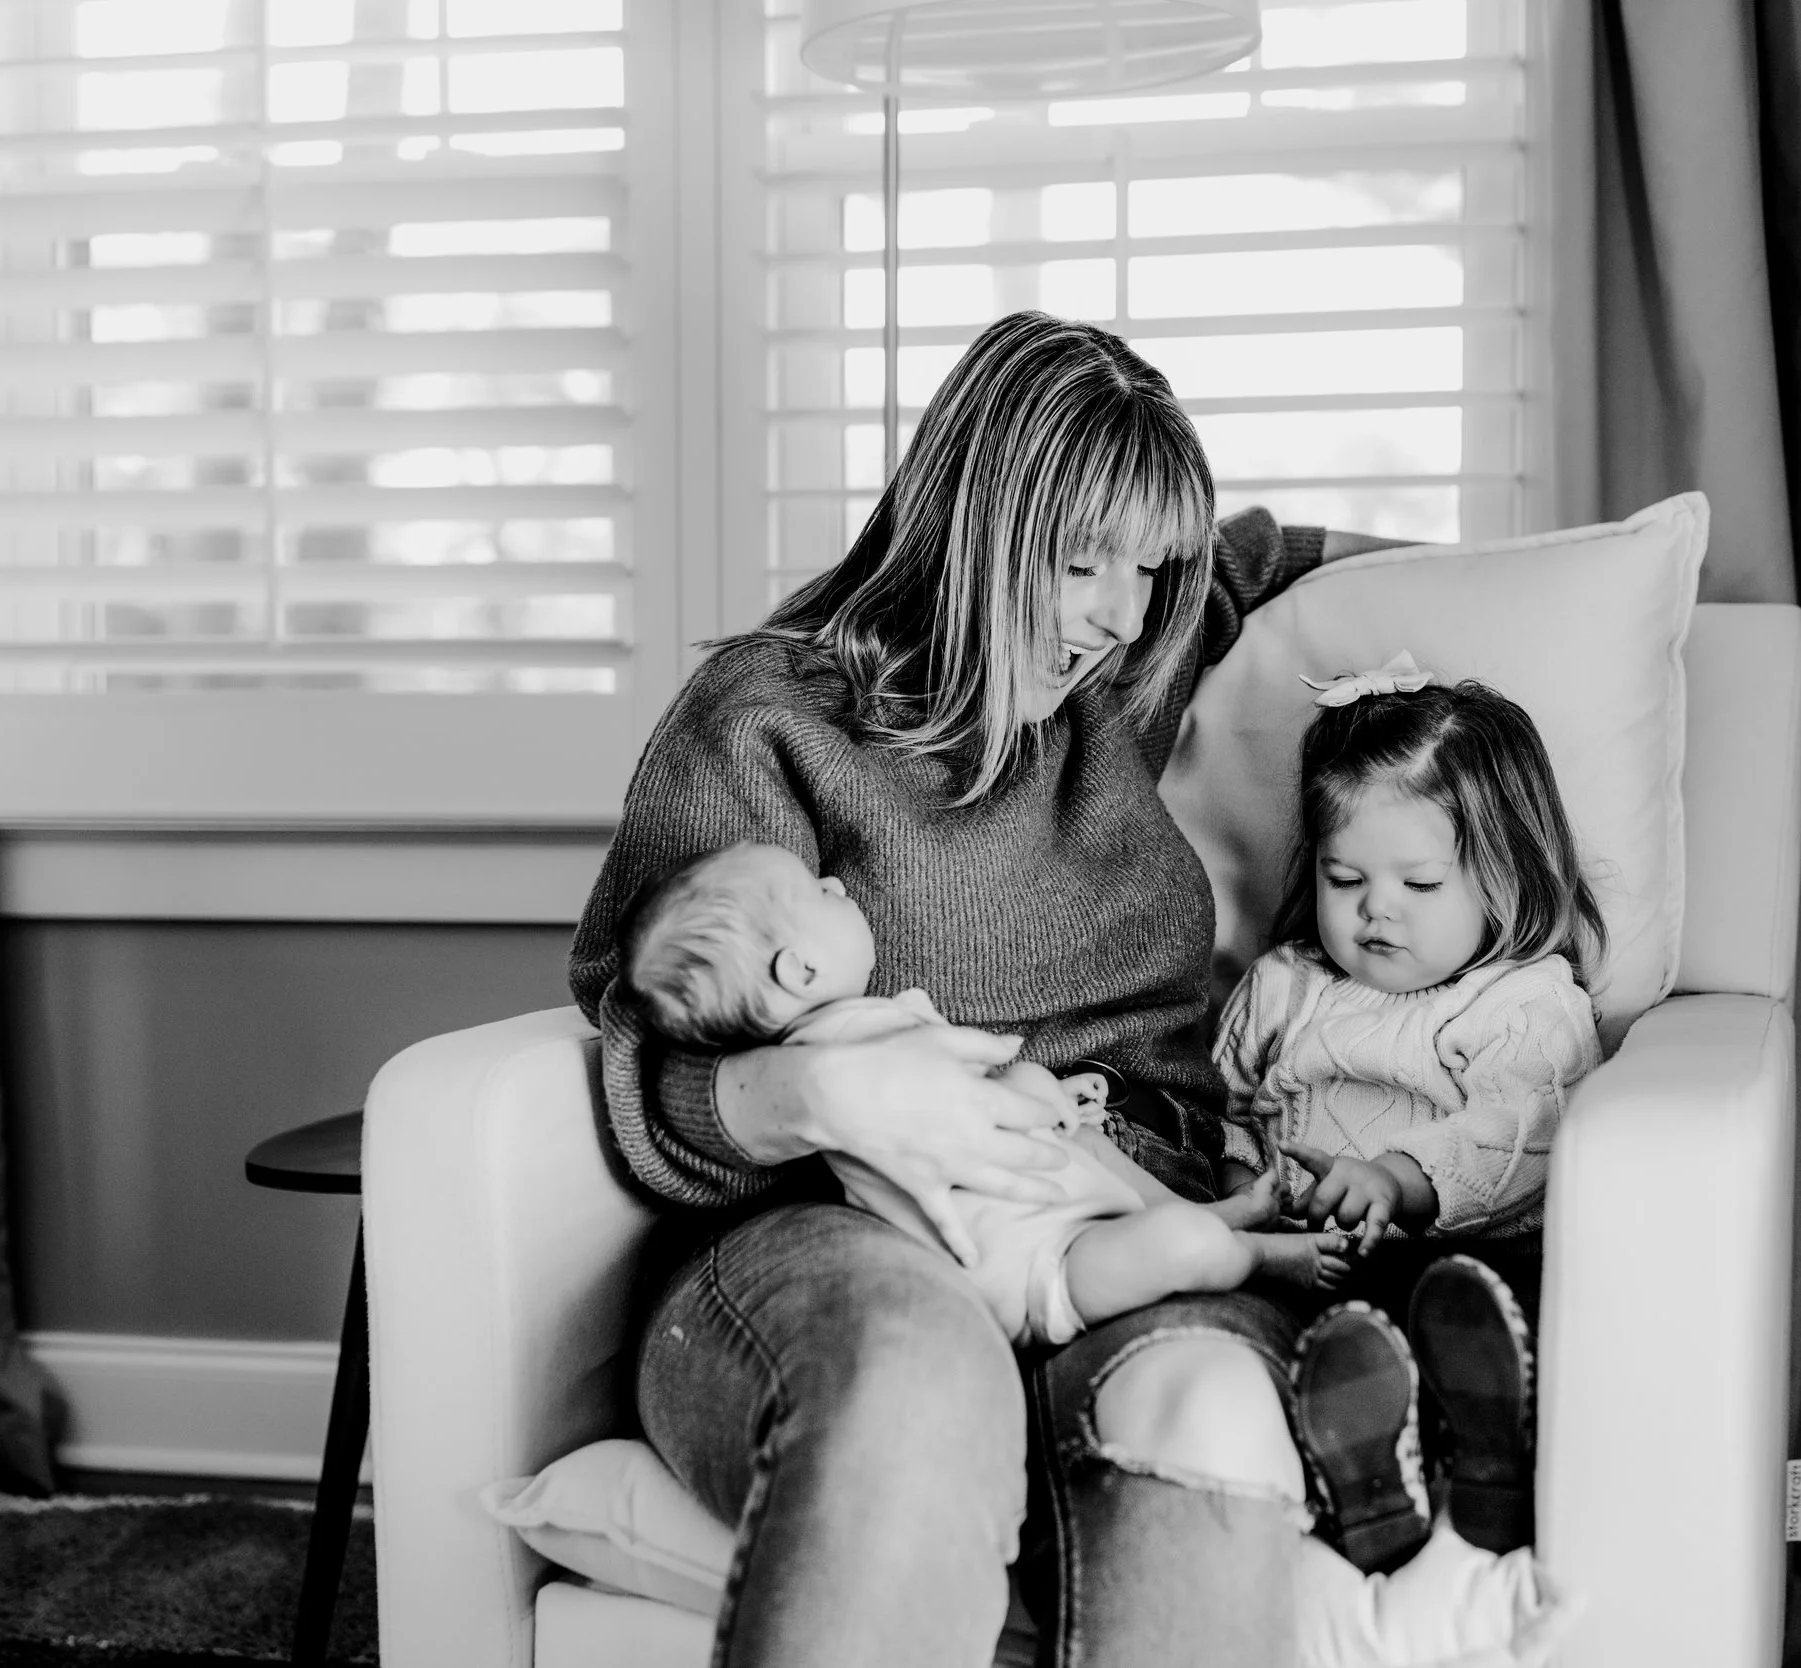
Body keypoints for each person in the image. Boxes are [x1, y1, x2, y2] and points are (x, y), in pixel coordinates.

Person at [570, 309, 1393, 1668]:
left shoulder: (1114, 679)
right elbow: (644, 1048)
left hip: (1124, 1206)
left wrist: (1517, 576)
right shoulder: (774, 717)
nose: (1120, 613)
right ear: (975, 526)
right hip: (841, 1231)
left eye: (1148, 568)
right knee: (915, 1378)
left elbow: (1255, 553)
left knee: (1204, 1403)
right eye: (1080, 562)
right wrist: (820, 1090)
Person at [1211, 654, 1604, 1600]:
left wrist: (1394, 1178)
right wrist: (1240, 1196)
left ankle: (1486, 1461)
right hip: (1309, 1263)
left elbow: (1525, 1136)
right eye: (1347, 877)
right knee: (1318, 1342)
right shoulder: (1286, 987)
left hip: (1462, 1259)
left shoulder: (1519, 1001)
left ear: (1504, 875)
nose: (1376, 908)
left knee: (1465, 1309)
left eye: (1419, 885)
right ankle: (1372, 1488)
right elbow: (1229, 1104)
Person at [617, 841, 1349, 1347]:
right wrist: (1034, 1089)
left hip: (1064, 1200)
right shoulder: (854, 1051)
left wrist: (1048, 1098)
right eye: (816, 891)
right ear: (800, 972)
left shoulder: (873, 1024)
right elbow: (991, 1086)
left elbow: (993, 1096)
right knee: (1184, 1249)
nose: (837, 884)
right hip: (1038, 1267)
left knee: (1115, 1170)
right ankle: (1254, 1254)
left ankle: (1223, 1219)